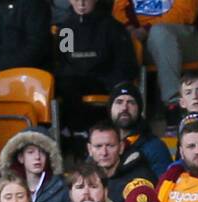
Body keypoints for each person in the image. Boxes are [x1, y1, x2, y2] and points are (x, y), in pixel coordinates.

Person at [53, 0, 138, 136]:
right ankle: (76, 133)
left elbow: (125, 65)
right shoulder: (66, 30)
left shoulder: (112, 28)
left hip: (103, 83)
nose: (81, 3)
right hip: (75, 85)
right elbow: (64, 61)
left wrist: (110, 82)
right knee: (63, 84)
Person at [113, 0, 198, 107]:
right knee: (119, 39)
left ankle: (173, 104)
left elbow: (185, 13)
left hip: (187, 41)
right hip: (145, 43)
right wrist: (129, 29)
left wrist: (146, 29)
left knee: (159, 33)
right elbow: (119, 9)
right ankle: (123, 109)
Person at [106, 81, 172, 179]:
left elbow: (165, 187)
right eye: (119, 102)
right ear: (110, 108)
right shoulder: (100, 143)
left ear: (139, 109)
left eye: (131, 102)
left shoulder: (154, 147)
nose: (124, 108)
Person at [85, 120, 154, 202]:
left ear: (121, 147)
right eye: (98, 146)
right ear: (89, 149)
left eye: (110, 146)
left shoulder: (141, 177)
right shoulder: (83, 178)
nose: (104, 152)